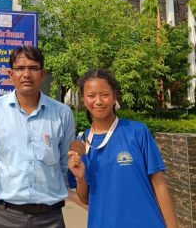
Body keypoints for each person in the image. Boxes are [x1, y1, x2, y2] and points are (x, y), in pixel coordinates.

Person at [0, 46, 75, 228]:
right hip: (4, 216)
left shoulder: (62, 113)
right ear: (10, 73)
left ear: (43, 73)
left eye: (33, 68)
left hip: (50, 218)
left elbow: (65, 162)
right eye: (20, 68)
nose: (26, 74)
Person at [68, 68, 178, 228]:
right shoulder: (82, 143)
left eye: (105, 95)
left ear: (114, 97)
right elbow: (86, 199)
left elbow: (159, 184)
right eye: (91, 96)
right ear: (83, 100)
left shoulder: (137, 132)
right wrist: (80, 177)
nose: (98, 101)